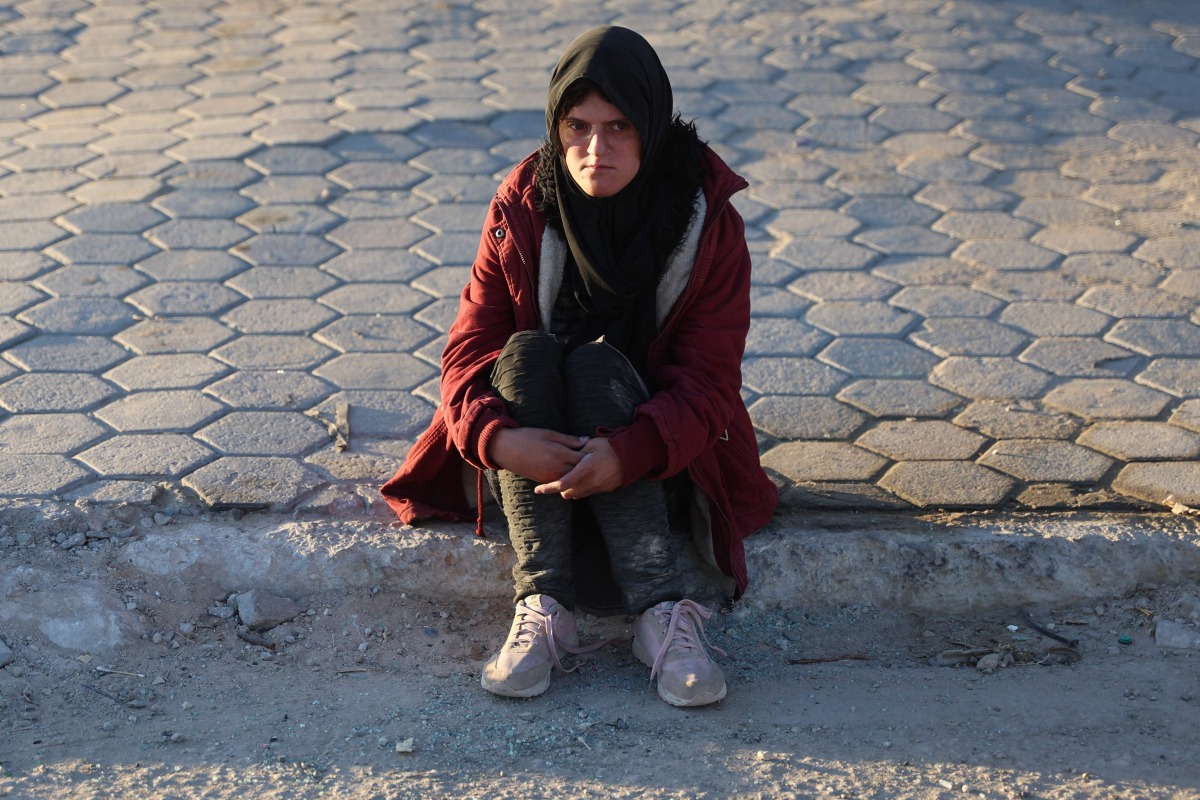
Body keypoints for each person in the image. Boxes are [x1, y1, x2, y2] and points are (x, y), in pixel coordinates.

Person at [381, 25, 778, 707]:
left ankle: (660, 613)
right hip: (537, 458)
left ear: (651, 126)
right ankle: (543, 607)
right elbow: (468, 350)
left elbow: (711, 381)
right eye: (579, 126)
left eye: (620, 126)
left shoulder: (703, 218)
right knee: (524, 354)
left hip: (661, 457)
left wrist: (632, 449)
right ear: (556, 127)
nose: (596, 150)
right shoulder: (524, 204)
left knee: (597, 369)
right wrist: (499, 440)